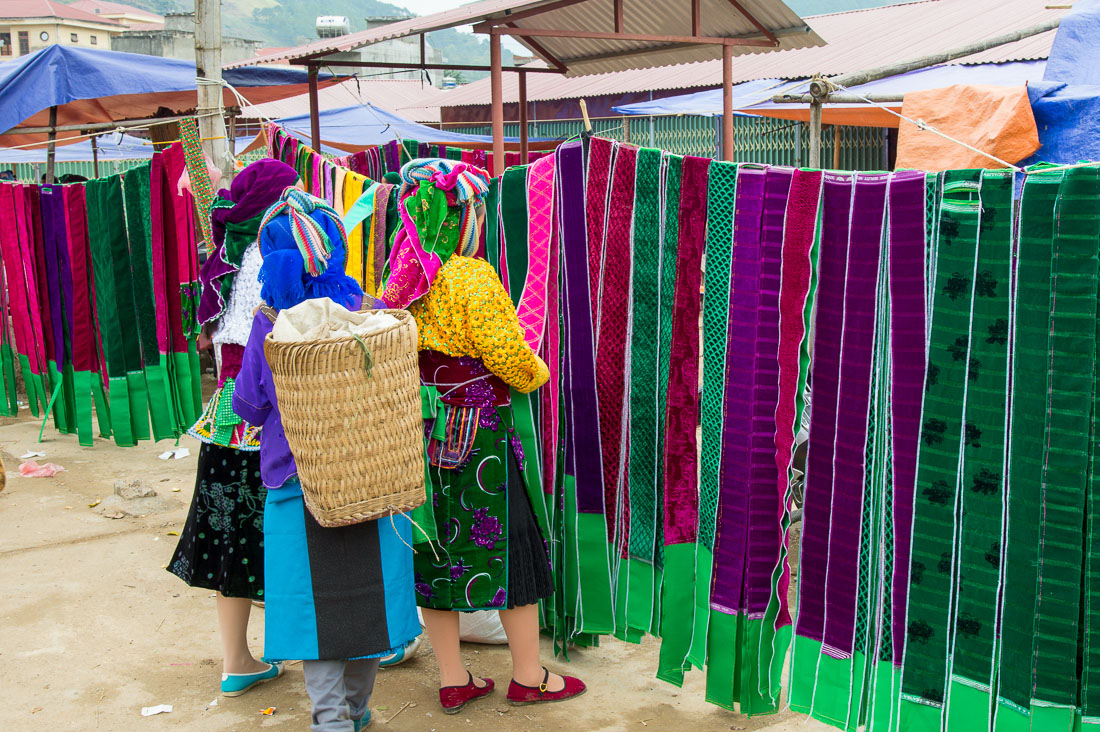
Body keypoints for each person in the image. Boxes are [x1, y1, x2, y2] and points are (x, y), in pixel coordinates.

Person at [381, 158, 586, 714]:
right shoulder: (471, 276)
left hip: (420, 435)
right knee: (510, 543)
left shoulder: (399, 276)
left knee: (434, 547)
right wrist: (537, 374)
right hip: (478, 438)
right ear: (461, 215)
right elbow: (506, 355)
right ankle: (528, 676)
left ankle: (453, 678)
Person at [233, 189, 419, 732]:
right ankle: (357, 713)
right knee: (367, 603)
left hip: (295, 488)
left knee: (313, 611)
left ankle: (330, 718)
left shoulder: (272, 325)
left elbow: (247, 406)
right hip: (370, 480)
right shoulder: (363, 314)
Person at [168, 159, 300, 697]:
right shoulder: (276, 257)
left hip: (225, 419)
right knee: (291, 536)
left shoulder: (224, 258)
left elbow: (215, 340)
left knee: (231, 544)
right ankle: (335, 652)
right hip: (271, 418)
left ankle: (237, 661)